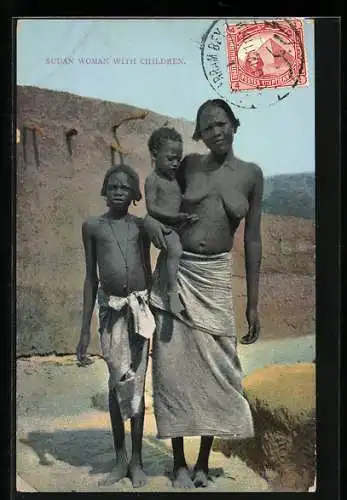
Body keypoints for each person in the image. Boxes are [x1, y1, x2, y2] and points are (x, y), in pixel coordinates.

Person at [144, 98, 263, 488]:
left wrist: (254, 304)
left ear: (234, 123)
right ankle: (178, 462)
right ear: (199, 133)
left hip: (214, 280)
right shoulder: (189, 165)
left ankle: (202, 462)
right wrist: (153, 230)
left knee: (218, 371)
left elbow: (254, 241)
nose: (216, 132)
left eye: (222, 123)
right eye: (208, 127)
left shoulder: (251, 174)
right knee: (172, 369)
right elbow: (159, 200)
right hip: (177, 274)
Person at [76, 164, 155, 488]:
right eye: (113, 186)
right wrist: (84, 330)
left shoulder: (140, 228)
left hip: (139, 311)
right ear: (104, 191)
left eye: (125, 187)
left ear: (136, 194)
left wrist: (155, 314)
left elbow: (148, 272)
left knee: (137, 384)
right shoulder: (92, 226)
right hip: (110, 313)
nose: (119, 191)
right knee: (116, 381)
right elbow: (90, 279)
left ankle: (137, 461)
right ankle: (119, 458)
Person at [145, 127, 199, 314]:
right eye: (170, 159)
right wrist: (175, 217)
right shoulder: (154, 180)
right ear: (154, 154)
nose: (175, 163)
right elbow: (151, 208)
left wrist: (186, 216)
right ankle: (172, 294)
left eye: (178, 158)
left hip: (177, 224)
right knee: (175, 250)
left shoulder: (176, 179)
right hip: (163, 225)